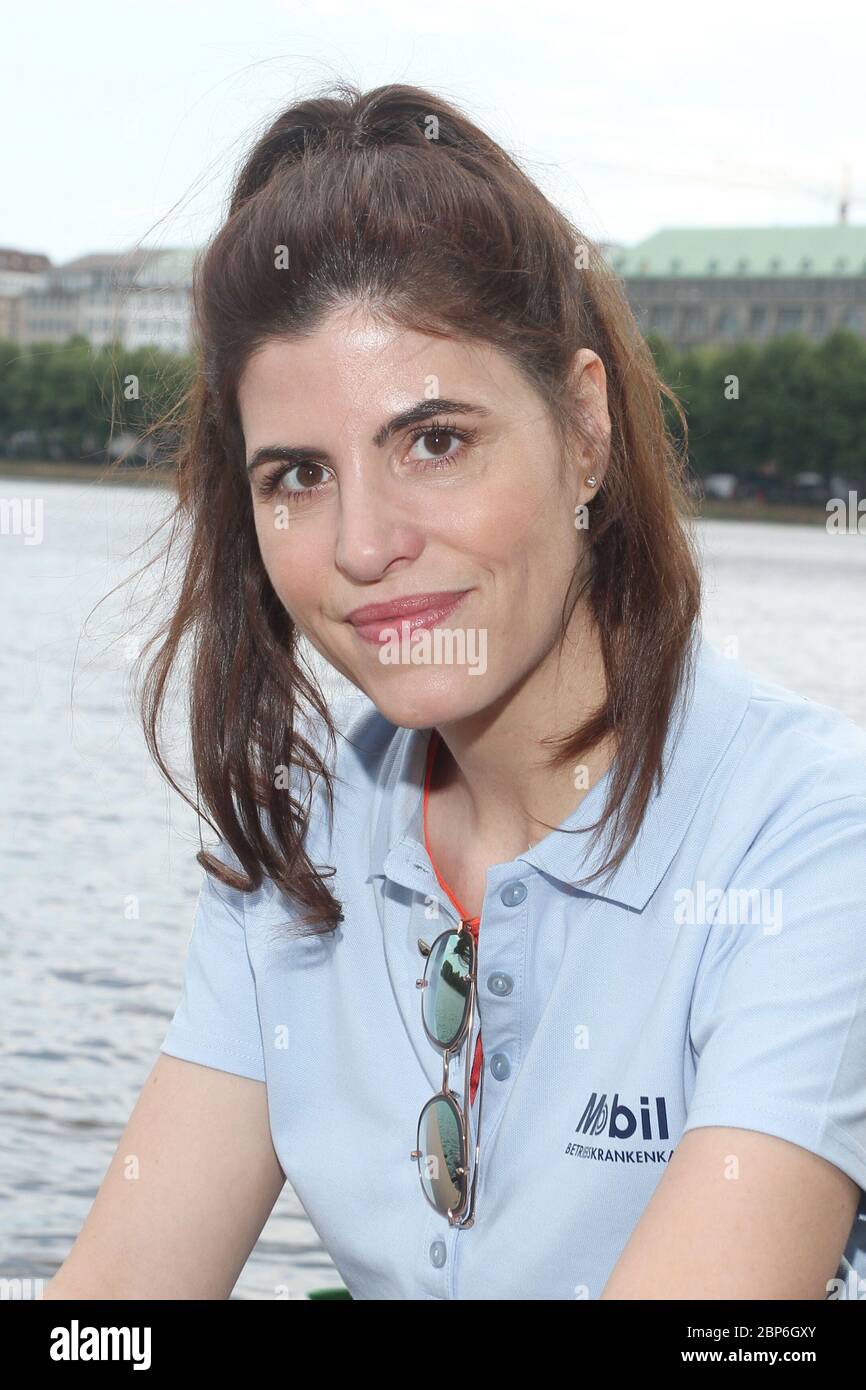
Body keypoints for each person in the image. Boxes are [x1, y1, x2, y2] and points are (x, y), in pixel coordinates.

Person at [44, 81, 866, 1301]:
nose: (364, 544)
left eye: (434, 440)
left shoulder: (809, 845)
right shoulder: (293, 851)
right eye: (297, 476)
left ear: (583, 427)